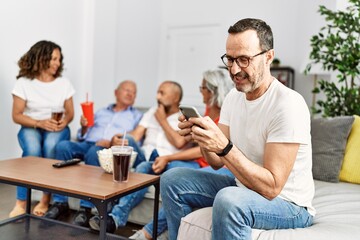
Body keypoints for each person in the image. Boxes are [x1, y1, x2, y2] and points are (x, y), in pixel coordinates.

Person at [161, 18, 315, 240]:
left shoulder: (288, 104)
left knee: (229, 199)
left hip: (289, 204)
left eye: (244, 59)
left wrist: (223, 146)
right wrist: (202, 137)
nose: (234, 69)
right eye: (230, 59)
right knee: (172, 179)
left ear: (268, 57)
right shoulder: (234, 97)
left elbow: (272, 187)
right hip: (243, 186)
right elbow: (215, 162)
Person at [128, 69, 234, 240]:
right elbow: (200, 144)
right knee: (150, 167)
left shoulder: (226, 115)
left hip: (207, 164)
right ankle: (116, 216)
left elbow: (211, 151)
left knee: (173, 174)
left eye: (202, 88)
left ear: (213, 90)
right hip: (203, 161)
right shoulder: (207, 110)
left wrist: (169, 156)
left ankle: (148, 232)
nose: (200, 91)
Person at [87, 80, 193, 234]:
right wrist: (117, 139)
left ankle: (114, 218)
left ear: (176, 98)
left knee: (143, 168)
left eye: (162, 93)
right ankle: (107, 202)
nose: (157, 96)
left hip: (167, 160)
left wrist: (162, 120)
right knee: (129, 143)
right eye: (158, 92)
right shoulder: (151, 112)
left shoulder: (185, 117)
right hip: (145, 156)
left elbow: (179, 142)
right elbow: (135, 136)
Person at [43, 80, 143, 227]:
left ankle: (86, 208)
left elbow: (134, 140)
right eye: (127, 90)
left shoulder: (136, 116)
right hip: (87, 143)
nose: (130, 94)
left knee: (94, 152)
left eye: (134, 92)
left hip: (108, 148)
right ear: (116, 92)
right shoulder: (102, 111)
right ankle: (59, 202)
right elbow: (83, 134)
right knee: (63, 146)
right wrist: (83, 127)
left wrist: (110, 142)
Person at [10, 40, 75, 218]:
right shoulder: (23, 83)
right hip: (32, 125)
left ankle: (45, 199)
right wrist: (39, 123)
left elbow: (70, 113)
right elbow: (17, 115)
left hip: (57, 127)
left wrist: (64, 121)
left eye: (59, 59)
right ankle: (21, 202)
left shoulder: (63, 84)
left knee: (51, 148)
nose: (57, 63)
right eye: (53, 58)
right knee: (32, 149)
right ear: (41, 57)